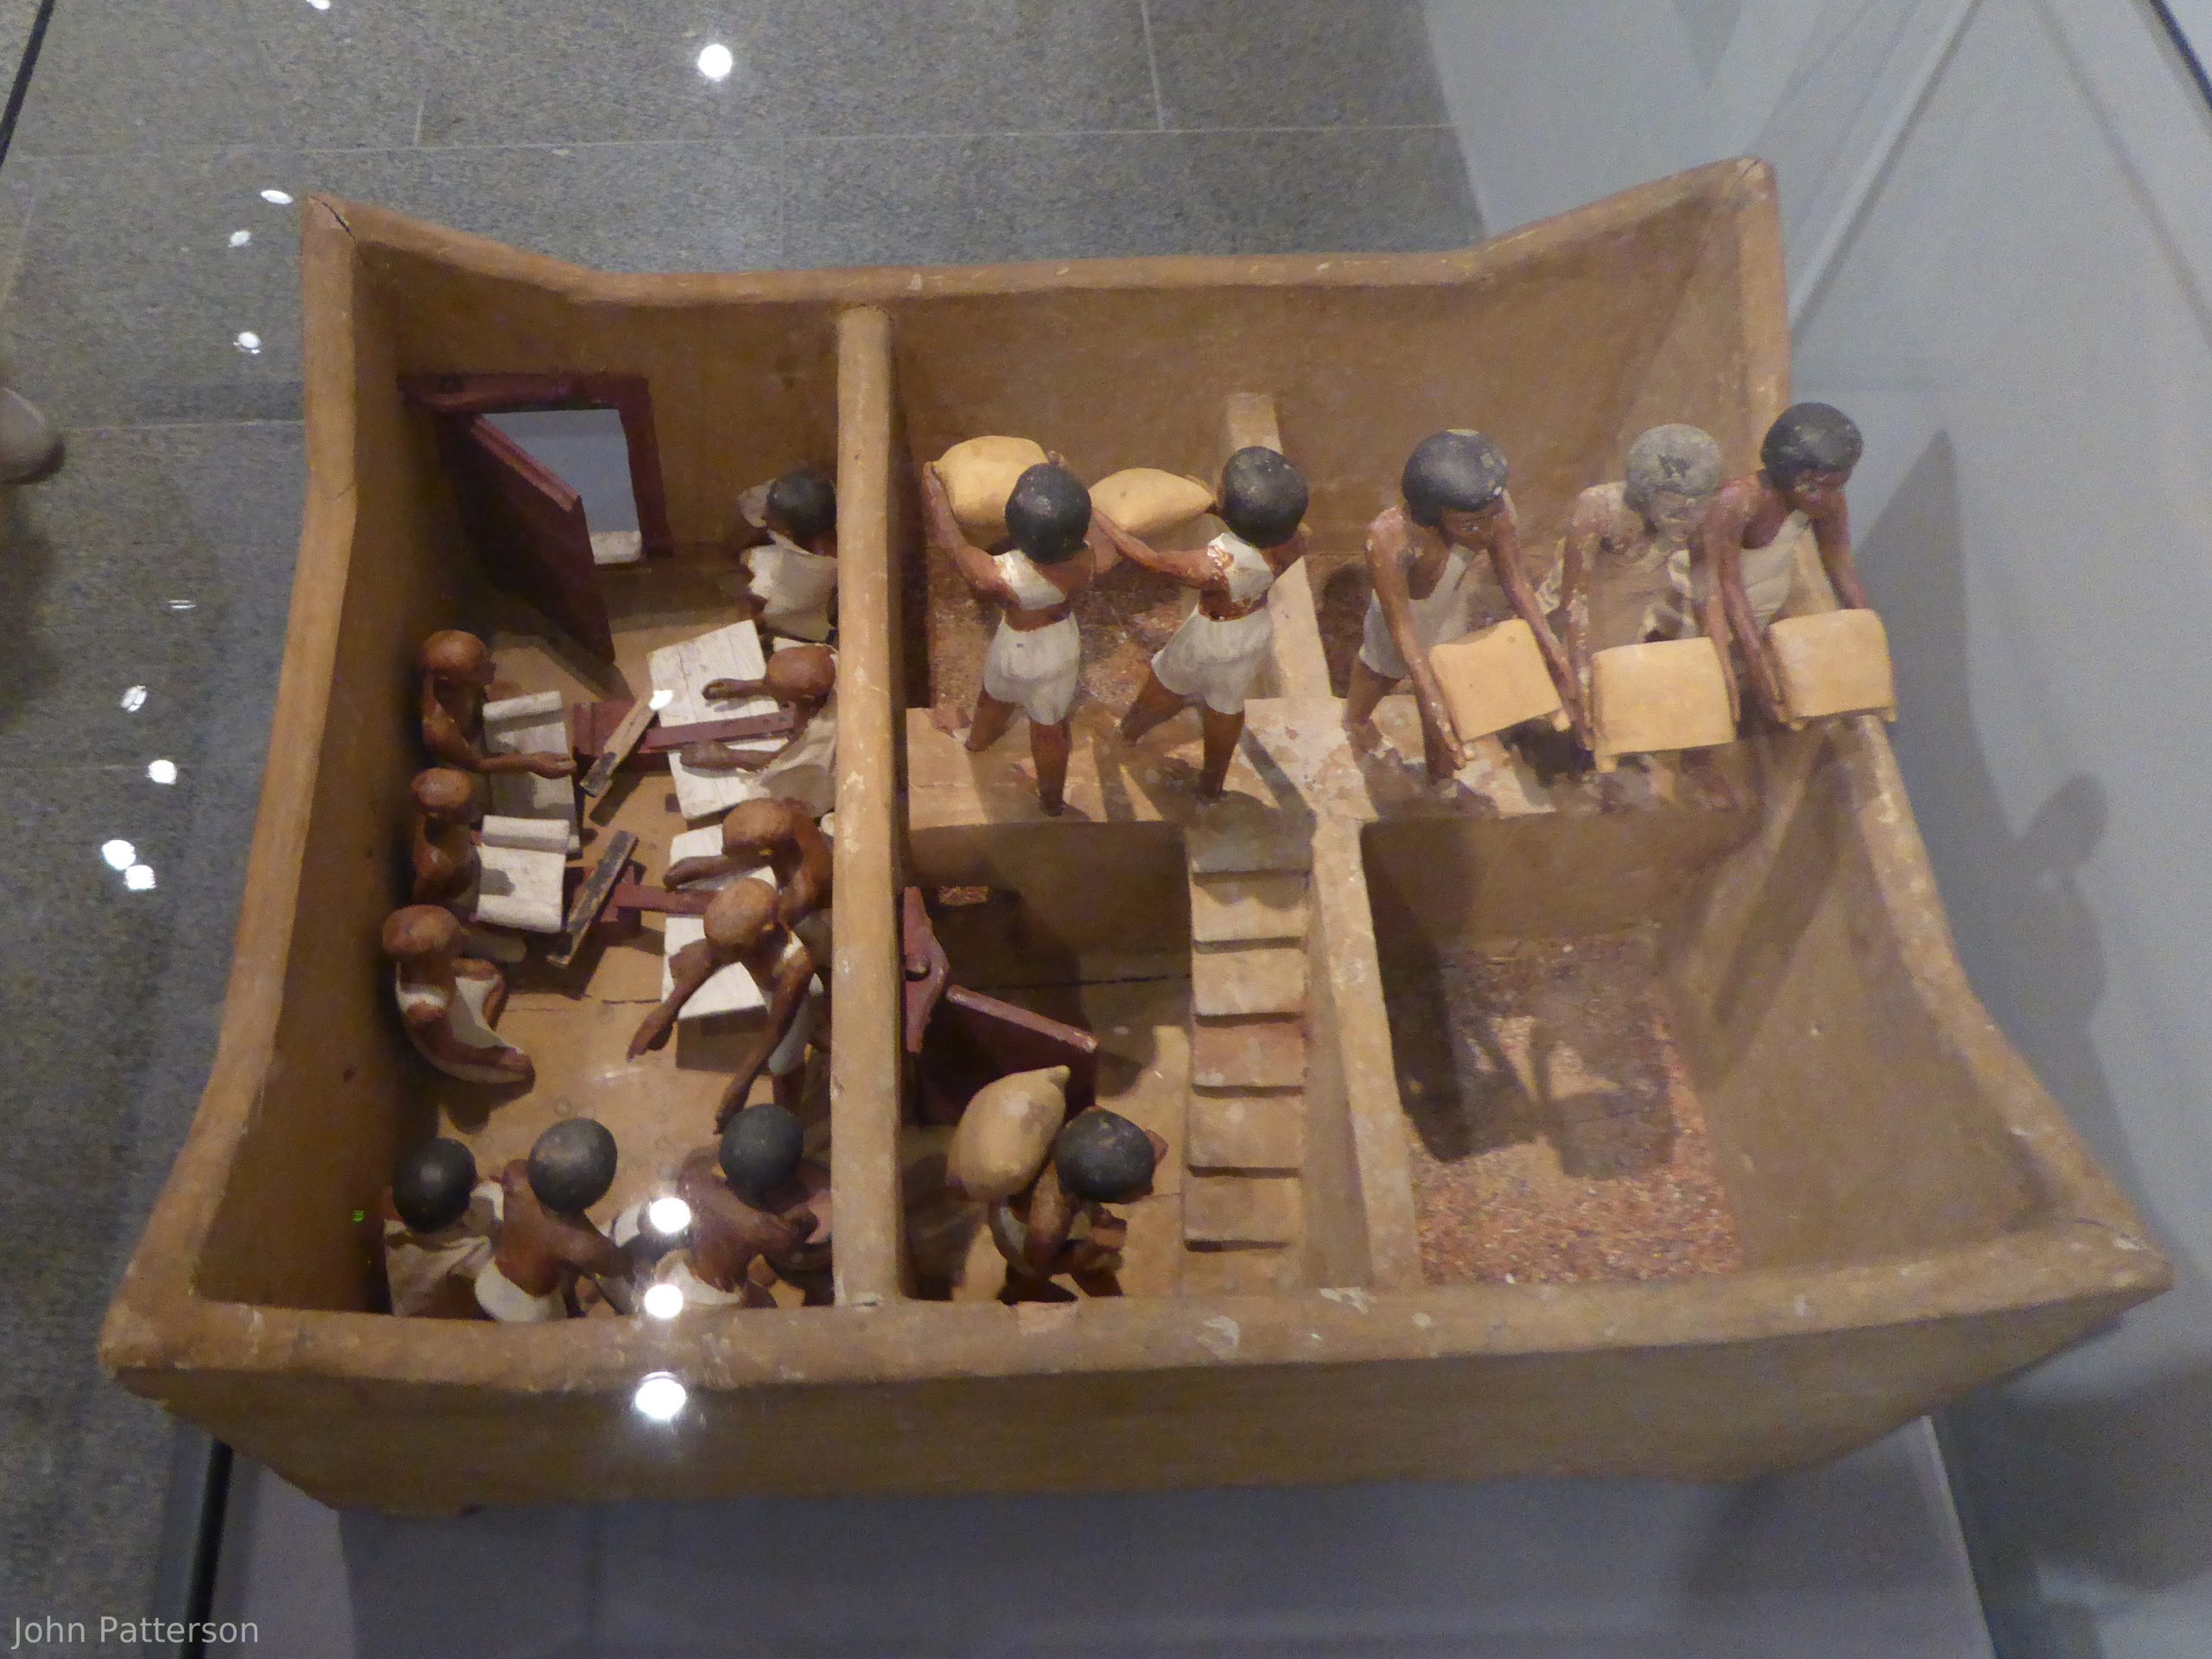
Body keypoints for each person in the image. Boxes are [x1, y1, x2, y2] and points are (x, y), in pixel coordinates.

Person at [1344, 430, 1579, 779]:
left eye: (1490, 517)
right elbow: (1400, 624)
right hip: (1401, 618)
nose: (1485, 532)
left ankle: (1440, 775)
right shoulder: (1390, 537)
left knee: (1446, 705)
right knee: (1381, 670)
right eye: (1468, 525)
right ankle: (1356, 720)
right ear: (1432, 514)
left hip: (1447, 609)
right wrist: (1426, 692)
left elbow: (1515, 581)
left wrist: (1554, 652)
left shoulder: (1492, 509)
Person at [1111, 448, 1313, 799]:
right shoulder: (1298, 539)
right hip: (1251, 631)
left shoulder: (1219, 564)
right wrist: (1217, 509)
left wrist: (1102, 521)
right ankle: (1212, 783)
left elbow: (1153, 560)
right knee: (1226, 704)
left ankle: (1128, 734)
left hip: (1211, 637)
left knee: (1166, 682)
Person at [922, 461, 1102, 815]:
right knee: (1050, 726)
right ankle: (1051, 801)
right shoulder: (1088, 557)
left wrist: (937, 499)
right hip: (1061, 645)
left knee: (994, 695)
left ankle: (974, 741)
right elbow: (1093, 531)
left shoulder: (1001, 574)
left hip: (1019, 648)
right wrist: (1066, 479)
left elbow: (956, 547)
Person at [1695, 402, 1868, 721]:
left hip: (1761, 621)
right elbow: (1724, 587)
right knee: (1710, 700)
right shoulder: (1738, 502)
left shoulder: (1828, 500)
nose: (1831, 498)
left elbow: (1840, 562)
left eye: (1838, 486)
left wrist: (1866, 632)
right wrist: (1755, 660)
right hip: (1709, 627)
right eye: (1819, 487)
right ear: (1793, 476)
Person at [626, 880, 823, 1128]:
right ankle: (819, 1032)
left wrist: (741, 1083)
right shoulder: (748, 937)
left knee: (783, 1063)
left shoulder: (795, 966)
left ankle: (787, 1119)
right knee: (686, 962)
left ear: (766, 932)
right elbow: (711, 958)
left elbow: (776, 1028)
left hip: (797, 999)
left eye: (734, 951)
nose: (722, 957)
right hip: (771, 990)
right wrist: (666, 1012)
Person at [1560, 423, 1726, 696]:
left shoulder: (1696, 515)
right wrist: (1578, 674)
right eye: (1675, 513)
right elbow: (1574, 602)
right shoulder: (1601, 509)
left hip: (1630, 624)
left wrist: (1718, 667)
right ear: (1642, 497)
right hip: (1581, 625)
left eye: (1697, 509)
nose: (1689, 522)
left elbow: (1708, 593)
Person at [653, 1104, 833, 1309]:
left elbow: (690, 1177)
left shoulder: (699, 1181)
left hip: (695, 1269)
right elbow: (802, 1231)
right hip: (720, 1290)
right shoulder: (765, 1227)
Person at [988, 1108, 1165, 1303]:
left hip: (1035, 1217)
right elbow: (1042, 1264)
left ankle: (1020, 1282)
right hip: (1025, 1238)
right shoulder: (1049, 1223)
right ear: (1089, 1193)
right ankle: (1025, 1290)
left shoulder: (1083, 1126)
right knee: (1088, 1272)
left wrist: (1140, 1151)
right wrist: (1091, 1246)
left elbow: (1101, 1124)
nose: (1150, 1191)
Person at [475, 1119, 632, 1321]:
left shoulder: (515, 1173)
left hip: (493, 1274)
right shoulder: (582, 1242)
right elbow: (616, 1266)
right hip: (529, 1308)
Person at [664, 797, 833, 969]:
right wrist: (708, 865)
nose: (724, 851)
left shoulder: (799, 894)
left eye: (732, 851)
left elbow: (752, 933)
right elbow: (757, 852)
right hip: (794, 860)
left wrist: (709, 952)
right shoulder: (787, 812)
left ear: (766, 855)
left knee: (808, 935)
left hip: (817, 911)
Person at [680, 644, 839, 819]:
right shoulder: (830, 661)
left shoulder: (821, 732)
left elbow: (784, 762)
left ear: (807, 701)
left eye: (771, 686)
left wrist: (727, 756)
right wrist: (749, 686)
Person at [381, 905, 532, 1085]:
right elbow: (446, 1051)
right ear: (434, 963)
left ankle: (483, 1025)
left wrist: (463, 968)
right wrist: (492, 1057)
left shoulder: (419, 964)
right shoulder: (426, 1011)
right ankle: (479, 1036)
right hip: (454, 1045)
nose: (465, 936)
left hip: (454, 1001)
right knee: (523, 1068)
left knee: (495, 977)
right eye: (457, 941)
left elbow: (445, 966)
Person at [418, 630, 576, 779]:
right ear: (451, 684)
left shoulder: (450, 678)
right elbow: (478, 764)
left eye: (486, 661)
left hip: (475, 717)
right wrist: (532, 763)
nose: (493, 668)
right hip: (468, 755)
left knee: (510, 692)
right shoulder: (440, 730)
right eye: (479, 669)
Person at [378, 1138, 499, 1319]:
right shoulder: (473, 1253)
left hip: (405, 1314)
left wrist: (359, 1218)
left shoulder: (394, 1228)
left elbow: (377, 1203)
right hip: (445, 1323)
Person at [407, 766, 481, 912]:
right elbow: (425, 903)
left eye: (473, 799)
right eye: (466, 808)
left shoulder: (433, 809)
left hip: (464, 855)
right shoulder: (437, 863)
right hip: (457, 884)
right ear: (438, 816)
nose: (475, 807)